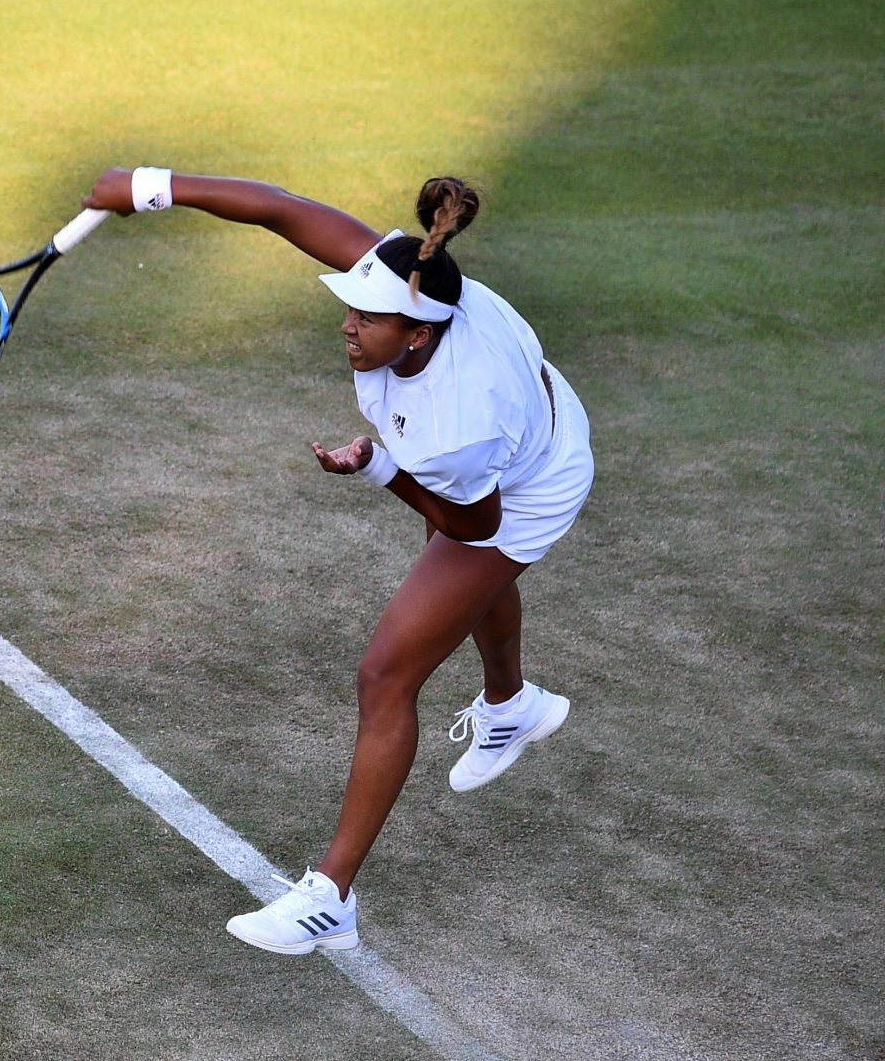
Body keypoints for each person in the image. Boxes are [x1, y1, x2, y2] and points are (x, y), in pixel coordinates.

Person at [82, 166, 594, 954]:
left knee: (387, 672)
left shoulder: (454, 429)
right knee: (460, 589)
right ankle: (512, 705)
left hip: (524, 488)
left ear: (418, 334)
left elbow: (471, 525)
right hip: (533, 423)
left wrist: (382, 468)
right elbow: (283, 210)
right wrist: (153, 186)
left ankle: (331, 899)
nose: (350, 327)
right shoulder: (412, 272)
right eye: (352, 307)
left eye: (371, 320)